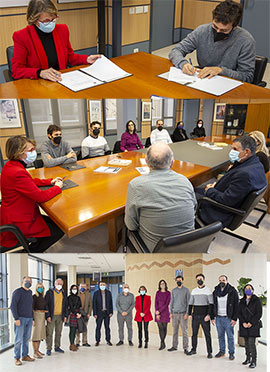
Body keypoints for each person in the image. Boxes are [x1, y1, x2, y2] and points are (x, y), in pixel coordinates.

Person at [125, 142, 197, 251]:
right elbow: (194, 208)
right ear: (172, 162)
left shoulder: (136, 185)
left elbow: (131, 226)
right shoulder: (185, 181)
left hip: (156, 251)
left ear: (146, 162)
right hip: (189, 246)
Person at [0, 136, 64, 252]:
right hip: (19, 219)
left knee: (57, 222)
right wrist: (56, 187)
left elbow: (29, 181)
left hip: (13, 213)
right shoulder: (17, 172)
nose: (34, 152)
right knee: (58, 231)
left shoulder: (11, 166)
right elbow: (40, 197)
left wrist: (49, 181)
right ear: (18, 153)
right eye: (30, 150)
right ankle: (33, 252)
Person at [11, 0, 101, 80]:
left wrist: (87, 59)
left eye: (53, 19)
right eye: (46, 21)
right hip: (39, 83)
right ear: (34, 20)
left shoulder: (62, 30)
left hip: (62, 79)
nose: (51, 23)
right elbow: (16, 70)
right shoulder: (22, 36)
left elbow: (69, 57)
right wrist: (40, 73)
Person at [169, 0, 255, 83]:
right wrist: (183, 64)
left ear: (235, 26)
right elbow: (176, 51)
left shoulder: (246, 40)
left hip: (228, 84)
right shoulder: (202, 31)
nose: (217, 32)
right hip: (203, 80)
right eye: (215, 26)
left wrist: (220, 70)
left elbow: (247, 76)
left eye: (224, 30)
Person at [197, 135, 268, 227]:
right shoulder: (256, 164)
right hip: (228, 199)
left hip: (219, 211)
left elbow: (226, 200)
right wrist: (217, 184)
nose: (231, 152)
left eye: (235, 149)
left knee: (188, 194)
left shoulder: (245, 174)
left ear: (246, 152)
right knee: (195, 189)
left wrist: (210, 190)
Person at [212, 275, 239, 360]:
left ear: (227, 281)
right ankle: (222, 351)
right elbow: (213, 305)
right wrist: (213, 317)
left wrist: (234, 318)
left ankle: (231, 353)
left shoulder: (232, 291)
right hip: (219, 317)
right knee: (220, 336)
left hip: (228, 318)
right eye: (220, 280)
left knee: (230, 336)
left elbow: (236, 305)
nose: (222, 282)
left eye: (223, 280)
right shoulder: (215, 291)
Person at [187, 273, 213, 358]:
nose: (199, 280)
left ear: (204, 279)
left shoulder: (208, 290)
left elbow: (211, 304)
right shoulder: (194, 291)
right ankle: (193, 349)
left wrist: (209, 315)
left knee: (207, 334)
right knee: (194, 334)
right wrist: (189, 314)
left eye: (201, 279)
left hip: (204, 316)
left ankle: (209, 352)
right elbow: (190, 303)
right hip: (195, 316)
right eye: (198, 279)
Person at [10, 277, 34, 366]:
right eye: (26, 281)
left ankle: (25, 355)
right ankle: (17, 357)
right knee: (18, 339)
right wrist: (16, 318)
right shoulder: (17, 292)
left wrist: (33, 318)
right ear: (22, 282)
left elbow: (30, 306)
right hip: (20, 319)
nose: (28, 282)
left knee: (26, 338)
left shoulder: (30, 292)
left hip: (29, 318)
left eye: (30, 281)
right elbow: (13, 306)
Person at [238, 284, 262, 369]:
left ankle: (254, 361)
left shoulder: (257, 300)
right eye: (246, 288)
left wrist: (251, 323)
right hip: (244, 325)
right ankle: (248, 358)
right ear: (244, 291)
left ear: (252, 290)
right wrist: (243, 323)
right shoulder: (241, 301)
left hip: (253, 325)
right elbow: (239, 313)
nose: (248, 290)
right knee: (246, 343)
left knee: (252, 343)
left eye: (250, 288)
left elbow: (259, 313)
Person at [168, 275, 190, 354]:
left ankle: (186, 347)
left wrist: (187, 313)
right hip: (175, 314)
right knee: (175, 331)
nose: (179, 282)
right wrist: (171, 312)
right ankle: (174, 346)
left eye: (180, 280)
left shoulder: (186, 290)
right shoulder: (173, 291)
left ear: (182, 281)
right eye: (177, 280)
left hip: (183, 314)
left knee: (185, 331)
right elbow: (171, 302)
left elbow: (189, 303)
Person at [45, 278, 68, 355]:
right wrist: (47, 315)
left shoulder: (64, 293)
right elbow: (46, 305)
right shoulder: (49, 293)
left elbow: (65, 306)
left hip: (60, 316)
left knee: (58, 332)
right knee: (49, 333)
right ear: (54, 284)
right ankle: (48, 348)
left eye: (61, 284)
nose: (59, 285)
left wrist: (65, 316)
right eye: (58, 284)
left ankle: (57, 346)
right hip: (52, 316)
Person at [92, 282, 113, 346]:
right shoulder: (96, 293)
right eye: (101, 285)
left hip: (107, 313)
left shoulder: (108, 293)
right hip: (99, 313)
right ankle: (97, 340)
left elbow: (110, 303)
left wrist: (111, 312)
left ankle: (108, 340)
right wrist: (94, 313)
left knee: (107, 327)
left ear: (106, 285)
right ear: (99, 285)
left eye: (103, 285)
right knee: (98, 327)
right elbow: (94, 304)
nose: (102, 286)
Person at [32, 282, 47, 359]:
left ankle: (38, 350)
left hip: (42, 316)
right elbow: (31, 308)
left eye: (41, 287)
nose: (40, 288)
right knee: (35, 335)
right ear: (36, 288)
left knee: (40, 335)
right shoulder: (34, 297)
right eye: (38, 287)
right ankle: (35, 352)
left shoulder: (43, 297)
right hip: (36, 315)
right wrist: (33, 319)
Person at [155, 280, 171, 350]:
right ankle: (162, 343)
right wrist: (156, 311)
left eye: (163, 283)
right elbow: (156, 303)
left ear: (165, 284)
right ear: (159, 285)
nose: (162, 285)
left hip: (165, 312)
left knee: (164, 328)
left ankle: (162, 342)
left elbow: (167, 304)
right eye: (161, 284)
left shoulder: (168, 293)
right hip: (158, 312)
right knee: (160, 328)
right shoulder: (157, 292)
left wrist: (159, 311)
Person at [75, 283, 92, 347]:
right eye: (81, 286)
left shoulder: (88, 294)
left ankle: (85, 342)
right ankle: (77, 342)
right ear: (79, 287)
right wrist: (76, 313)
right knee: (77, 328)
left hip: (85, 314)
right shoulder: (76, 294)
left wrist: (89, 313)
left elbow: (90, 305)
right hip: (78, 313)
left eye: (84, 286)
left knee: (85, 328)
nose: (83, 287)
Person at [67, 284, 82, 351]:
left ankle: (75, 344)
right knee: (72, 330)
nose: (74, 290)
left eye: (75, 289)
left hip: (78, 314)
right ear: (71, 290)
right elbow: (70, 307)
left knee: (76, 329)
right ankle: (72, 344)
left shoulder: (78, 298)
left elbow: (79, 306)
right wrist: (76, 313)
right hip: (72, 314)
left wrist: (79, 313)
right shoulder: (69, 297)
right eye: (73, 289)